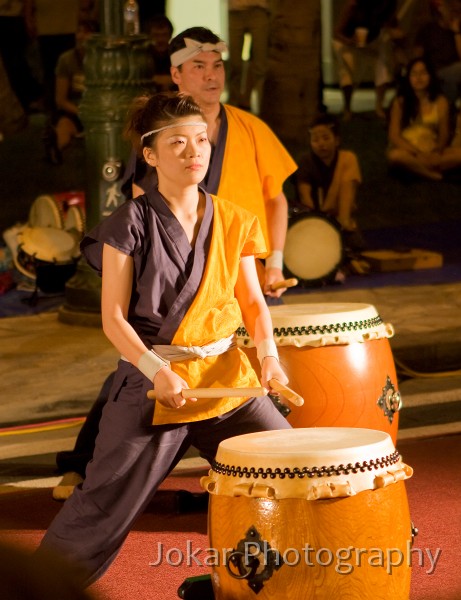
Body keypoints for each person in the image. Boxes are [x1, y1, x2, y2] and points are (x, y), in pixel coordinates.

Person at [36, 92, 292, 588]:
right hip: (156, 385)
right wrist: (159, 370)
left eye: (201, 140)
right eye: (177, 142)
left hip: (224, 378)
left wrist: (270, 358)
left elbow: (255, 303)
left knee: (290, 471)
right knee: (102, 505)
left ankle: (275, 582)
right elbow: (113, 318)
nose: (194, 151)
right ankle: (36, 588)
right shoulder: (127, 224)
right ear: (150, 155)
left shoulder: (235, 218)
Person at [52, 25, 297, 500]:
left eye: (217, 65)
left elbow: (275, 203)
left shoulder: (245, 136)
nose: (211, 76)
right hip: (163, 344)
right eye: (198, 67)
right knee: (110, 484)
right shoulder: (141, 205)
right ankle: (83, 476)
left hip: (223, 332)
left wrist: (268, 350)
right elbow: (122, 303)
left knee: (288, 469)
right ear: (177, 75)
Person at [294, 112, 366, 278]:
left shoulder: (347, 159)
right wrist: (318, 226)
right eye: (316, 140)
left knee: (355, 244)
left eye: (326, 138)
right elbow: (305, 199)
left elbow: (349, 190)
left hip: (340, 221)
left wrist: (343, 221)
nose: (321, 144)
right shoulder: (306, 162)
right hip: (314, 222)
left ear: (337, 140)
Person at [332, 0, 402, 120]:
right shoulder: (353, 6)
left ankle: (379, 105)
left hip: (371, 41)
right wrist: (350, 41)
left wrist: (395, 34)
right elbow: (337, 32)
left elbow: (395, 28)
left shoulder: (385, 9)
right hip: (346, 41)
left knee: (384, 61)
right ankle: (347, 107)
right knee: (347, 70)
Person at [387, 56, 454, 180]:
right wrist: (417, 154)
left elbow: (444, 133)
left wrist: (437, 152)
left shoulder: (440, 101)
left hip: (432, 150)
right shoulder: (400, 102)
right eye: (414, 74)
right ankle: (431, 175)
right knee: (395, 156)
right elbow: (394, 135)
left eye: (423, 73)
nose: (418, 78)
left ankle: (418, 169)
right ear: (408, 78)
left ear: (430, 76)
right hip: (408, 151)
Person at [42, 18, 98, 165]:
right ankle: (55, 150)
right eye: (79, 32)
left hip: (99, 110)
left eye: (86, 32)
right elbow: (60, 100)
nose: (81, 36)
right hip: (75, 110)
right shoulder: (67, 60)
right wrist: (83, 113)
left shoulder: (103, 59)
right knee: (65, 126)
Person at [413, 0, 461, 105]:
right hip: (435, 70)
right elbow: (417, 57)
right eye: (454, 11)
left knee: (454, 79)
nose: (457, 16)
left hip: (454, 72)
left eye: (459, 12)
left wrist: (457, 33)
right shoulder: (428, 29)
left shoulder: (459, 31)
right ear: (442, 11)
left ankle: (449, 108)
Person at [227, 0, 271, 113]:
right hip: (235, 11)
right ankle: (232, 106)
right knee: (235, 64)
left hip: (259, 10)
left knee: (260, 66)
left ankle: (262, 106)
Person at [144, 13, 176, 92]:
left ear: (170, 35)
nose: (160, 39)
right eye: (156, 35)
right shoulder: (143, 56)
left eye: (164, 35)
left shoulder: (177, 54)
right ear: (149, 36)